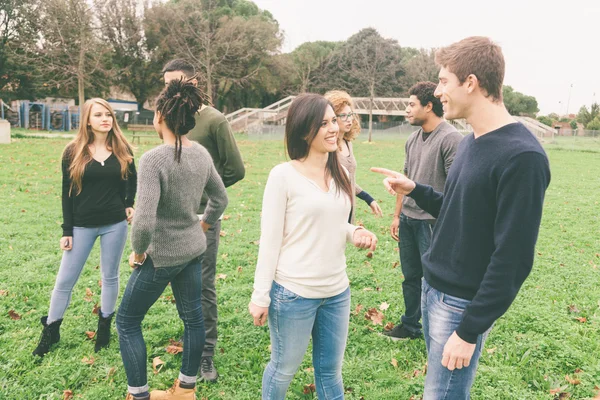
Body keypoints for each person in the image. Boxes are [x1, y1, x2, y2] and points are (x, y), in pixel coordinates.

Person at [372, 36, 550, 399]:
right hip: (432, 288)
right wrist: (415, 189)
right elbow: (456, 209)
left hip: (459, 306)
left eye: (443, 81)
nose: (438, 92)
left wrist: (469, 331)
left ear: (470, 83)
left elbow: (513, 259)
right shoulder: (471, 142)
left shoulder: (523, 157)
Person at [248, 93, 378, 400]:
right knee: (283, 370)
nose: (334, 129)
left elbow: (333, 220)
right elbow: (270, 239)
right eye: (324, 124)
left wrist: (353, 232)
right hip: (294, 294)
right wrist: (260, 295)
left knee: (331, 372)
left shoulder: (341, 173)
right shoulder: (283, 176)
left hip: (337, 292)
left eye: (334, 120)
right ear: (304, 129)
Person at [116, 79, 228, 400]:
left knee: (126, 322)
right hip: (192, 251)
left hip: (160, 258)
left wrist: (138, 253)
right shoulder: (202, 155)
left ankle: (139, 395)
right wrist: (204, 225)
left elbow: (143, 220)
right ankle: (185, 391)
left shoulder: (153, 159)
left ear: (160, 117)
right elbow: (220, 200)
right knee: (194, 321)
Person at [162, 59, 245, 382]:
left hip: (204, 217)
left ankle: (205, 354)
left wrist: (207, 192)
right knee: (180, 282)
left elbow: (235, 169)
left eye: (176, 82)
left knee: (203, 284)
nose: (169, 88)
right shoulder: (169, 118)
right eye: (166, 83)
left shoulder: (213, 120)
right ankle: (190, 339)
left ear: (194, 82)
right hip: (173, 216)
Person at [33, 98, 136, 357]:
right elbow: (66, 193)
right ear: (87, 120)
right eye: (99, 114)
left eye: (108, 114)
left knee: (110, 276)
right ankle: (51, 330)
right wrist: (67, 230)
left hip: (114, 224)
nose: (105, 119)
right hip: (81, 226)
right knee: (64, 280)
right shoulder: (73, 151)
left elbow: (132, 178)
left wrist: (128, 203)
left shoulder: (122, 147)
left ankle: (104, 327)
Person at [384, 82, 462, 341]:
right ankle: (410, 326)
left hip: (432, 223)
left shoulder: (451, 139)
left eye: (411, 104)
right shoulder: (411, 139)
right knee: (410, 277)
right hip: (408, 220)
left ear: (429, 106)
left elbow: (456, 190)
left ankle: (436, 330)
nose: (407, 109)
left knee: (434, 282)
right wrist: (397, 216)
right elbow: (404, 180)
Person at [324, 90, 382, 223]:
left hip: (348, 210)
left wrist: (369, 199)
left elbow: (348, 180)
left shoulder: (347, 143)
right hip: (331, 214)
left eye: (350, 114)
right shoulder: (326, 148)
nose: (349, 119)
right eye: (343, 115)